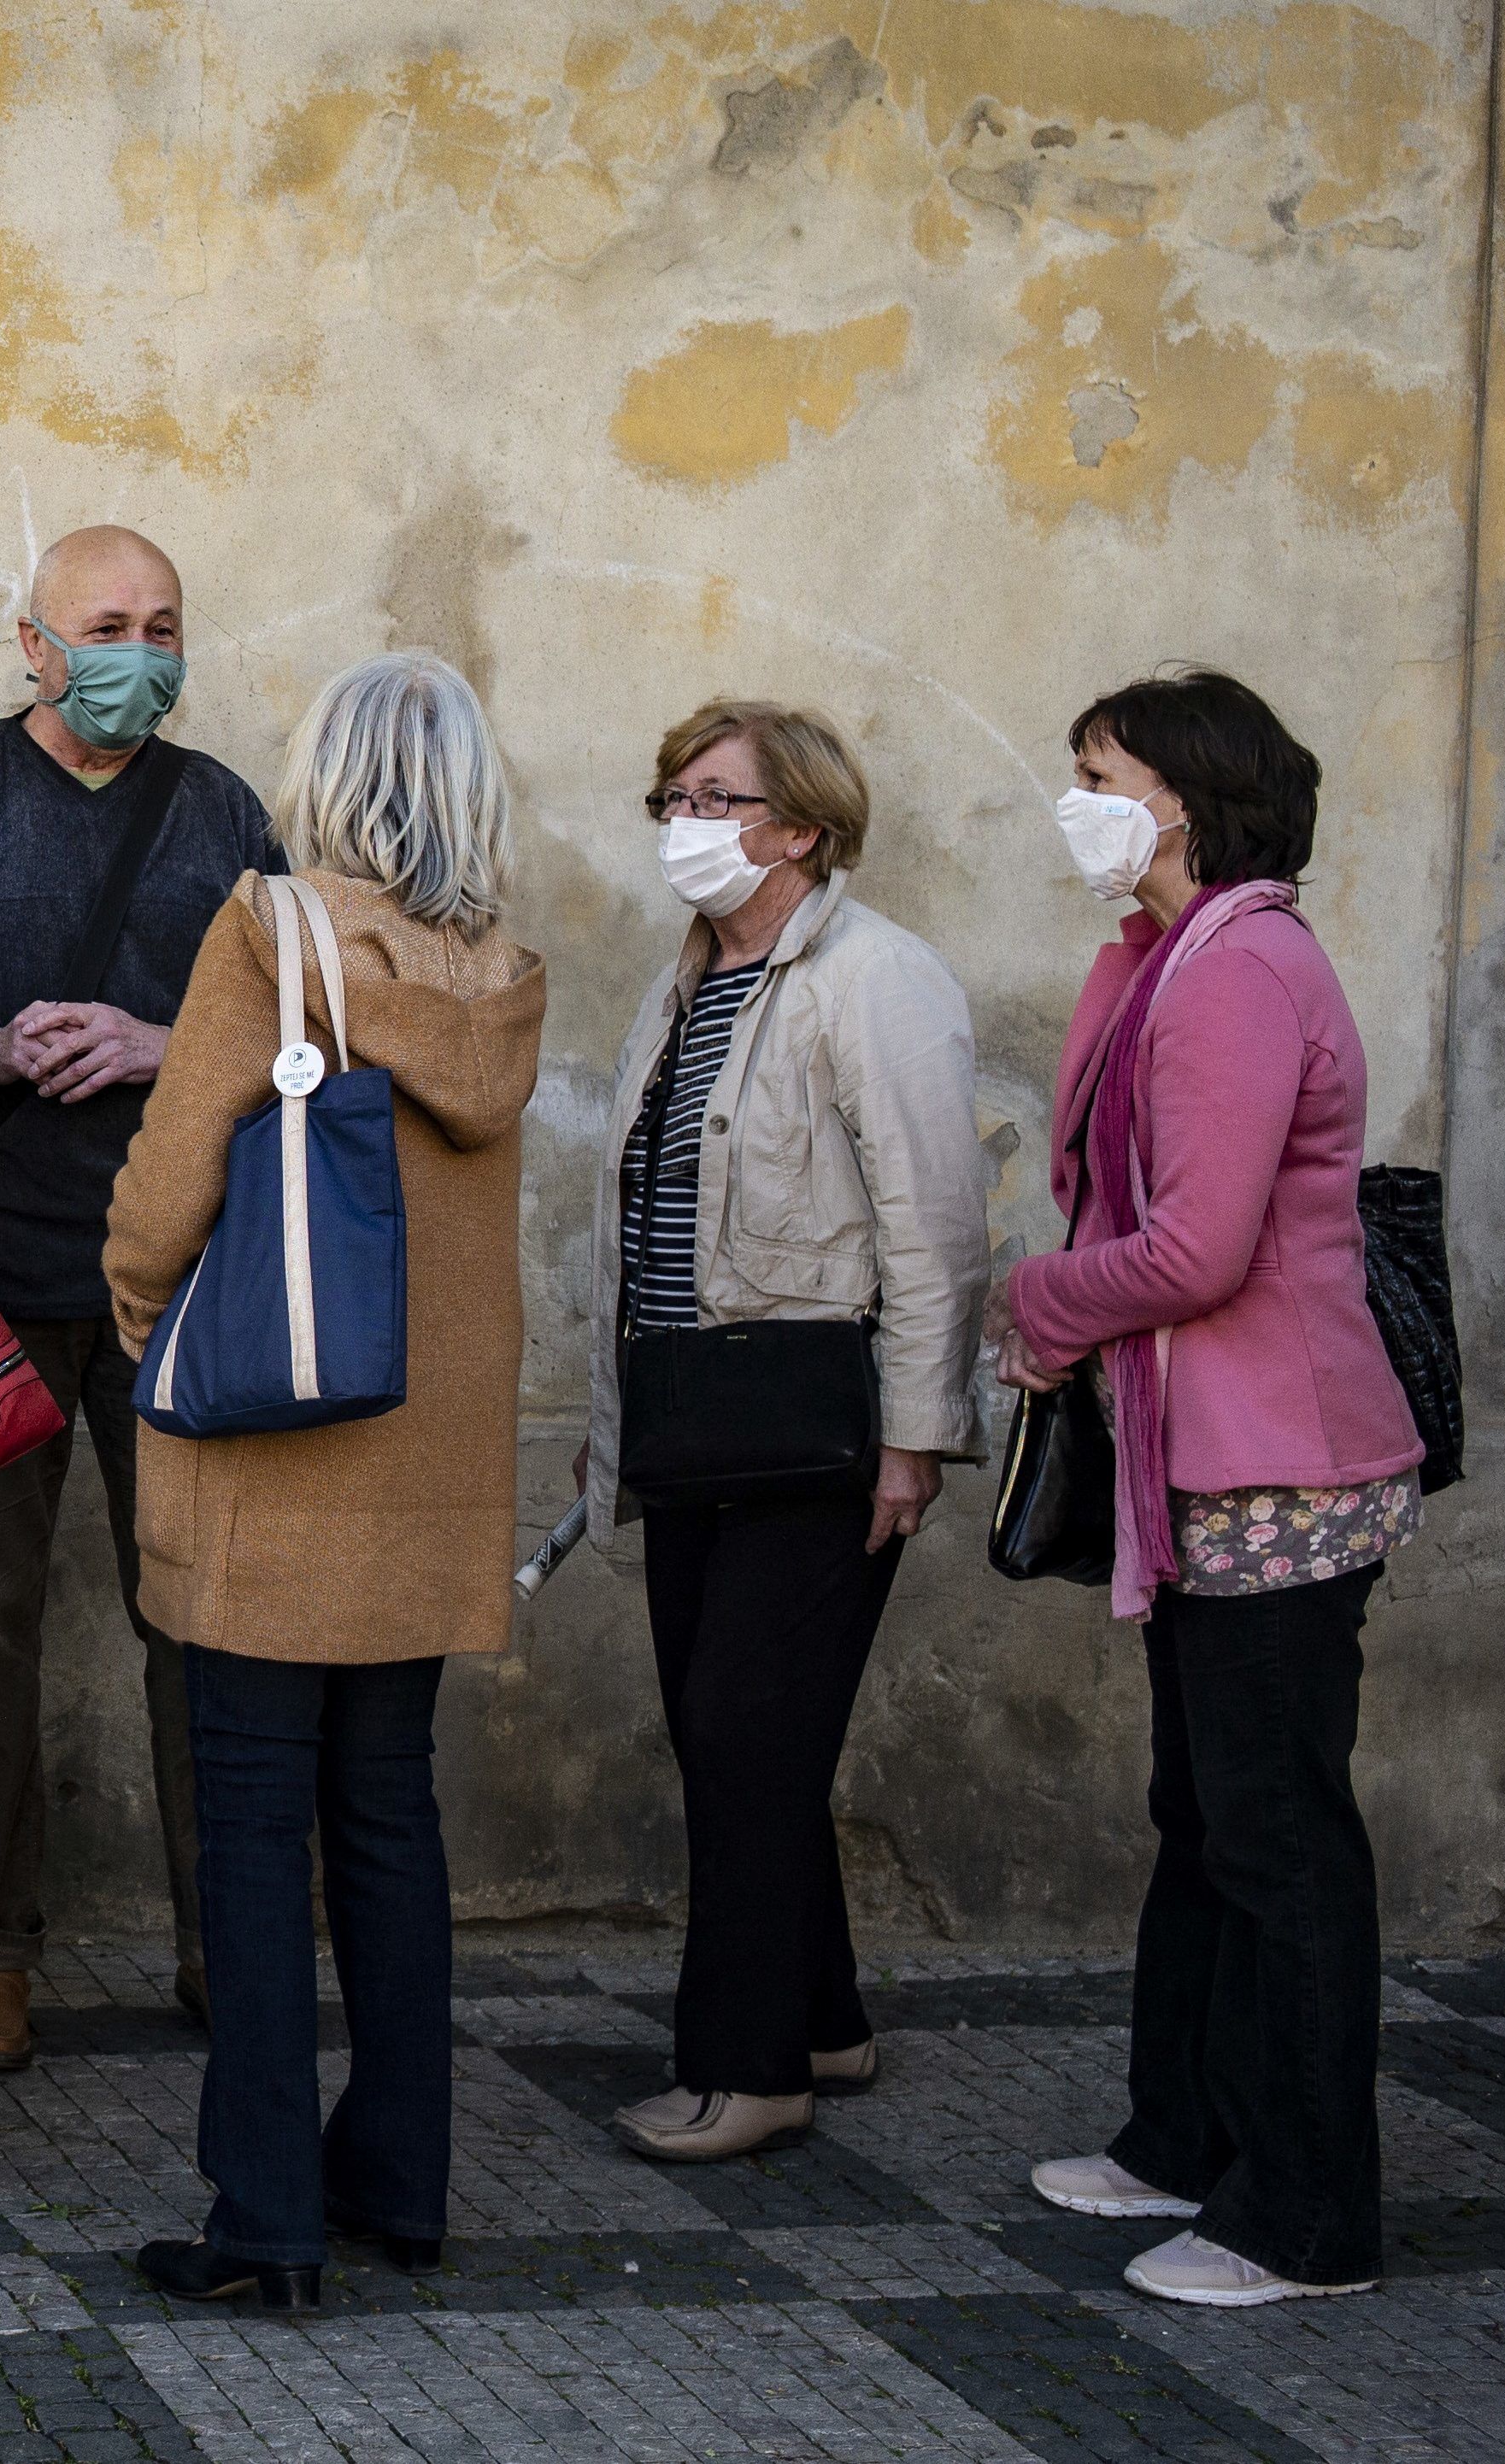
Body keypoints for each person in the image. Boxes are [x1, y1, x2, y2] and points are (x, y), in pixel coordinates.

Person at [103, 652, 547, 2315]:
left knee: (249, 1836)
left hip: (275, 1462)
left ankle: (266, 2216)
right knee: (386, 1823)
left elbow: (166, 1183)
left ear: (328, 778)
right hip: (423, 1467)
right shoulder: (500, 975)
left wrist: (153, 1329)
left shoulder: (272, 933)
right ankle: (399, 2181)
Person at [0, 523, 283, 2060]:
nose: (133, 653)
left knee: (204, 1628)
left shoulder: (222, 812)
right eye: (104, 624)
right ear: (33, 644)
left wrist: (170, 1049)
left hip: (184, 1284)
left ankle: (238, 1951)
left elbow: (304, 1032)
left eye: (161, 625)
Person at [996, 670, 1418, 2310]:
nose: (1078, 798)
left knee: (1276, 1841)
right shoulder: (1168, 956)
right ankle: (1183, 2136)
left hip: (1279, 1471)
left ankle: (1307, 2218)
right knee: (1206, 1820)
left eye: (1096, 771)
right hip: (1210, 1467)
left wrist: (1035, 1306)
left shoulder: (1239, 970)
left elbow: (1196, 1249)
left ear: (1180, 793)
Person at [583, 703, 988, 2163]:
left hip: (814, 1427)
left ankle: (747, 2069)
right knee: (730, 1731)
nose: (682, 820)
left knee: (747, 1736)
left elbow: (934, 1226)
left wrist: (915, 1434)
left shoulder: (873, 980)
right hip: (696, 1423)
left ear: (799, 828)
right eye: (670, 793)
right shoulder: (689, 981)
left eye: (717, 797)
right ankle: (821, 2012)